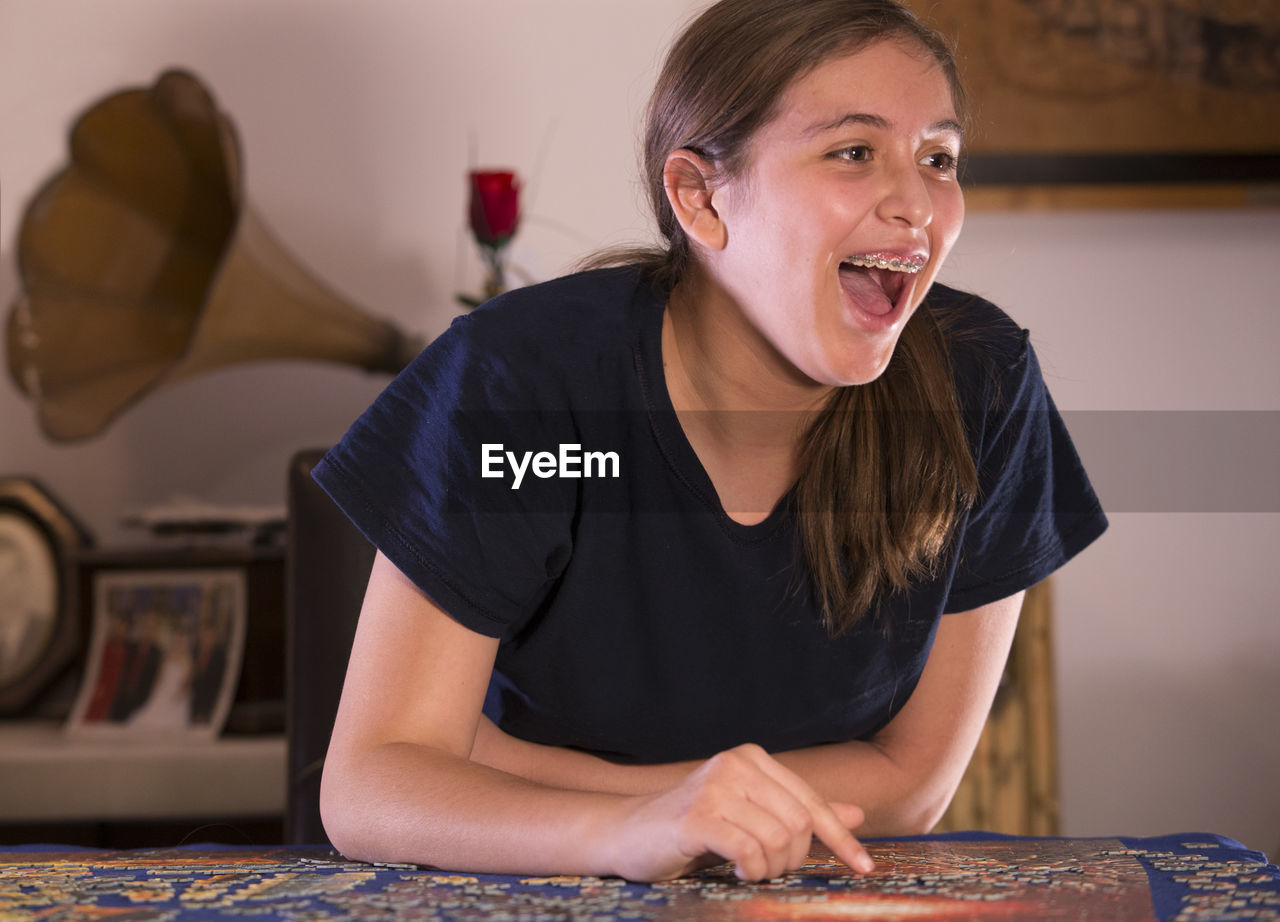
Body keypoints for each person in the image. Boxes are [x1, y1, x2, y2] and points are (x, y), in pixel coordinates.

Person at [313, 0, 1107, 883]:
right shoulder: (520, 382)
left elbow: (911, 781)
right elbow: (373, 781)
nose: (918, 204)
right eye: (854, 151)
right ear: (699, 197)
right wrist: (631, 833)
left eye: (938, 158)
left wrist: (612, 794)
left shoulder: (983, 381)